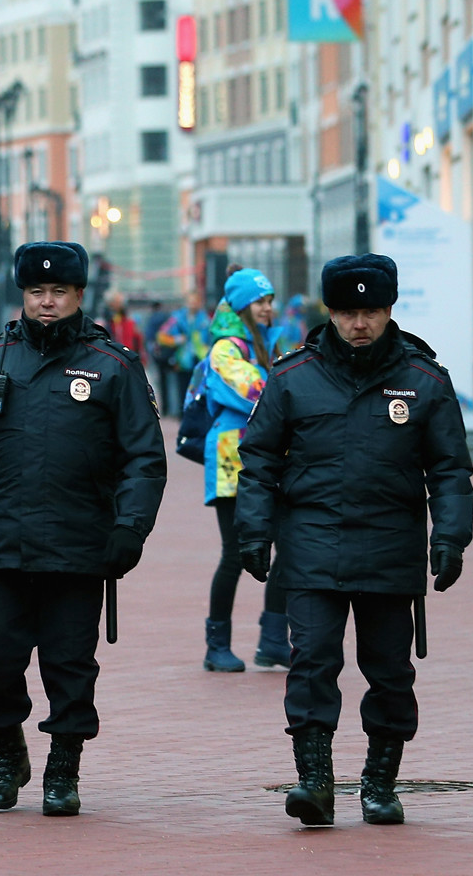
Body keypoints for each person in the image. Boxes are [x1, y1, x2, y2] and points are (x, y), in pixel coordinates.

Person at [0, 241, 166, 817]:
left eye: (59, 292)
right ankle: (8, 753)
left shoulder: (113, 366)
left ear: (80, 295)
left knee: (70, 664)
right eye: (37, 292)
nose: (47, 302)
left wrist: (130, 528)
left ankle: (63, 769)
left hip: (80, 545)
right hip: (0, 543)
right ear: (23, 295)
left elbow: (143, 457)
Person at [235, 253, 473, 828]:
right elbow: (259, 458)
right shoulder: (294, 376)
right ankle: (315, 783)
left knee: (389, 670)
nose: (359, 323)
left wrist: (451, 537)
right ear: (331, 312)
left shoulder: (424, 380)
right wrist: (253, 529)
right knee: (312, 662)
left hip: (391, 548)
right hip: (311, 545)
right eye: (347, 312)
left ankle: (379, 782)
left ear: (389, 310)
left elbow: (449, 469)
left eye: (370, 311)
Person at [200, 269, 291, 674]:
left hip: (270, 459)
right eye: (260, 301)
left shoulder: (269, 344)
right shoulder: (225, 348)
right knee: (235, 555)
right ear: (241, 307)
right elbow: (258, 392)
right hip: (230, 462)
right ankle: (216, 645)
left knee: (286, 549)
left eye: (270, 299)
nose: (268, 307)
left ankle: (273, 640)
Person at [156, 289, 211, 416]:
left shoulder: (205, 319)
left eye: (196, 301)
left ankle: (195, 416)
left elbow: (211, 339)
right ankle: (183, 417)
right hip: (182, 361)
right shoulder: (177, 318)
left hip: (200, 361)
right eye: (190, 301)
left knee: (198, 392)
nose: (193, 304)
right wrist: (176, 340)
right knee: (182, 391)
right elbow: (161, 336)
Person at [107, 292, 146, 363]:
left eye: (119, 303)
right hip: (114, 358)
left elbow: (138, 340)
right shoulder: (107, 322)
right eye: (115, 303)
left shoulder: (129, 322)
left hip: (127, 358)